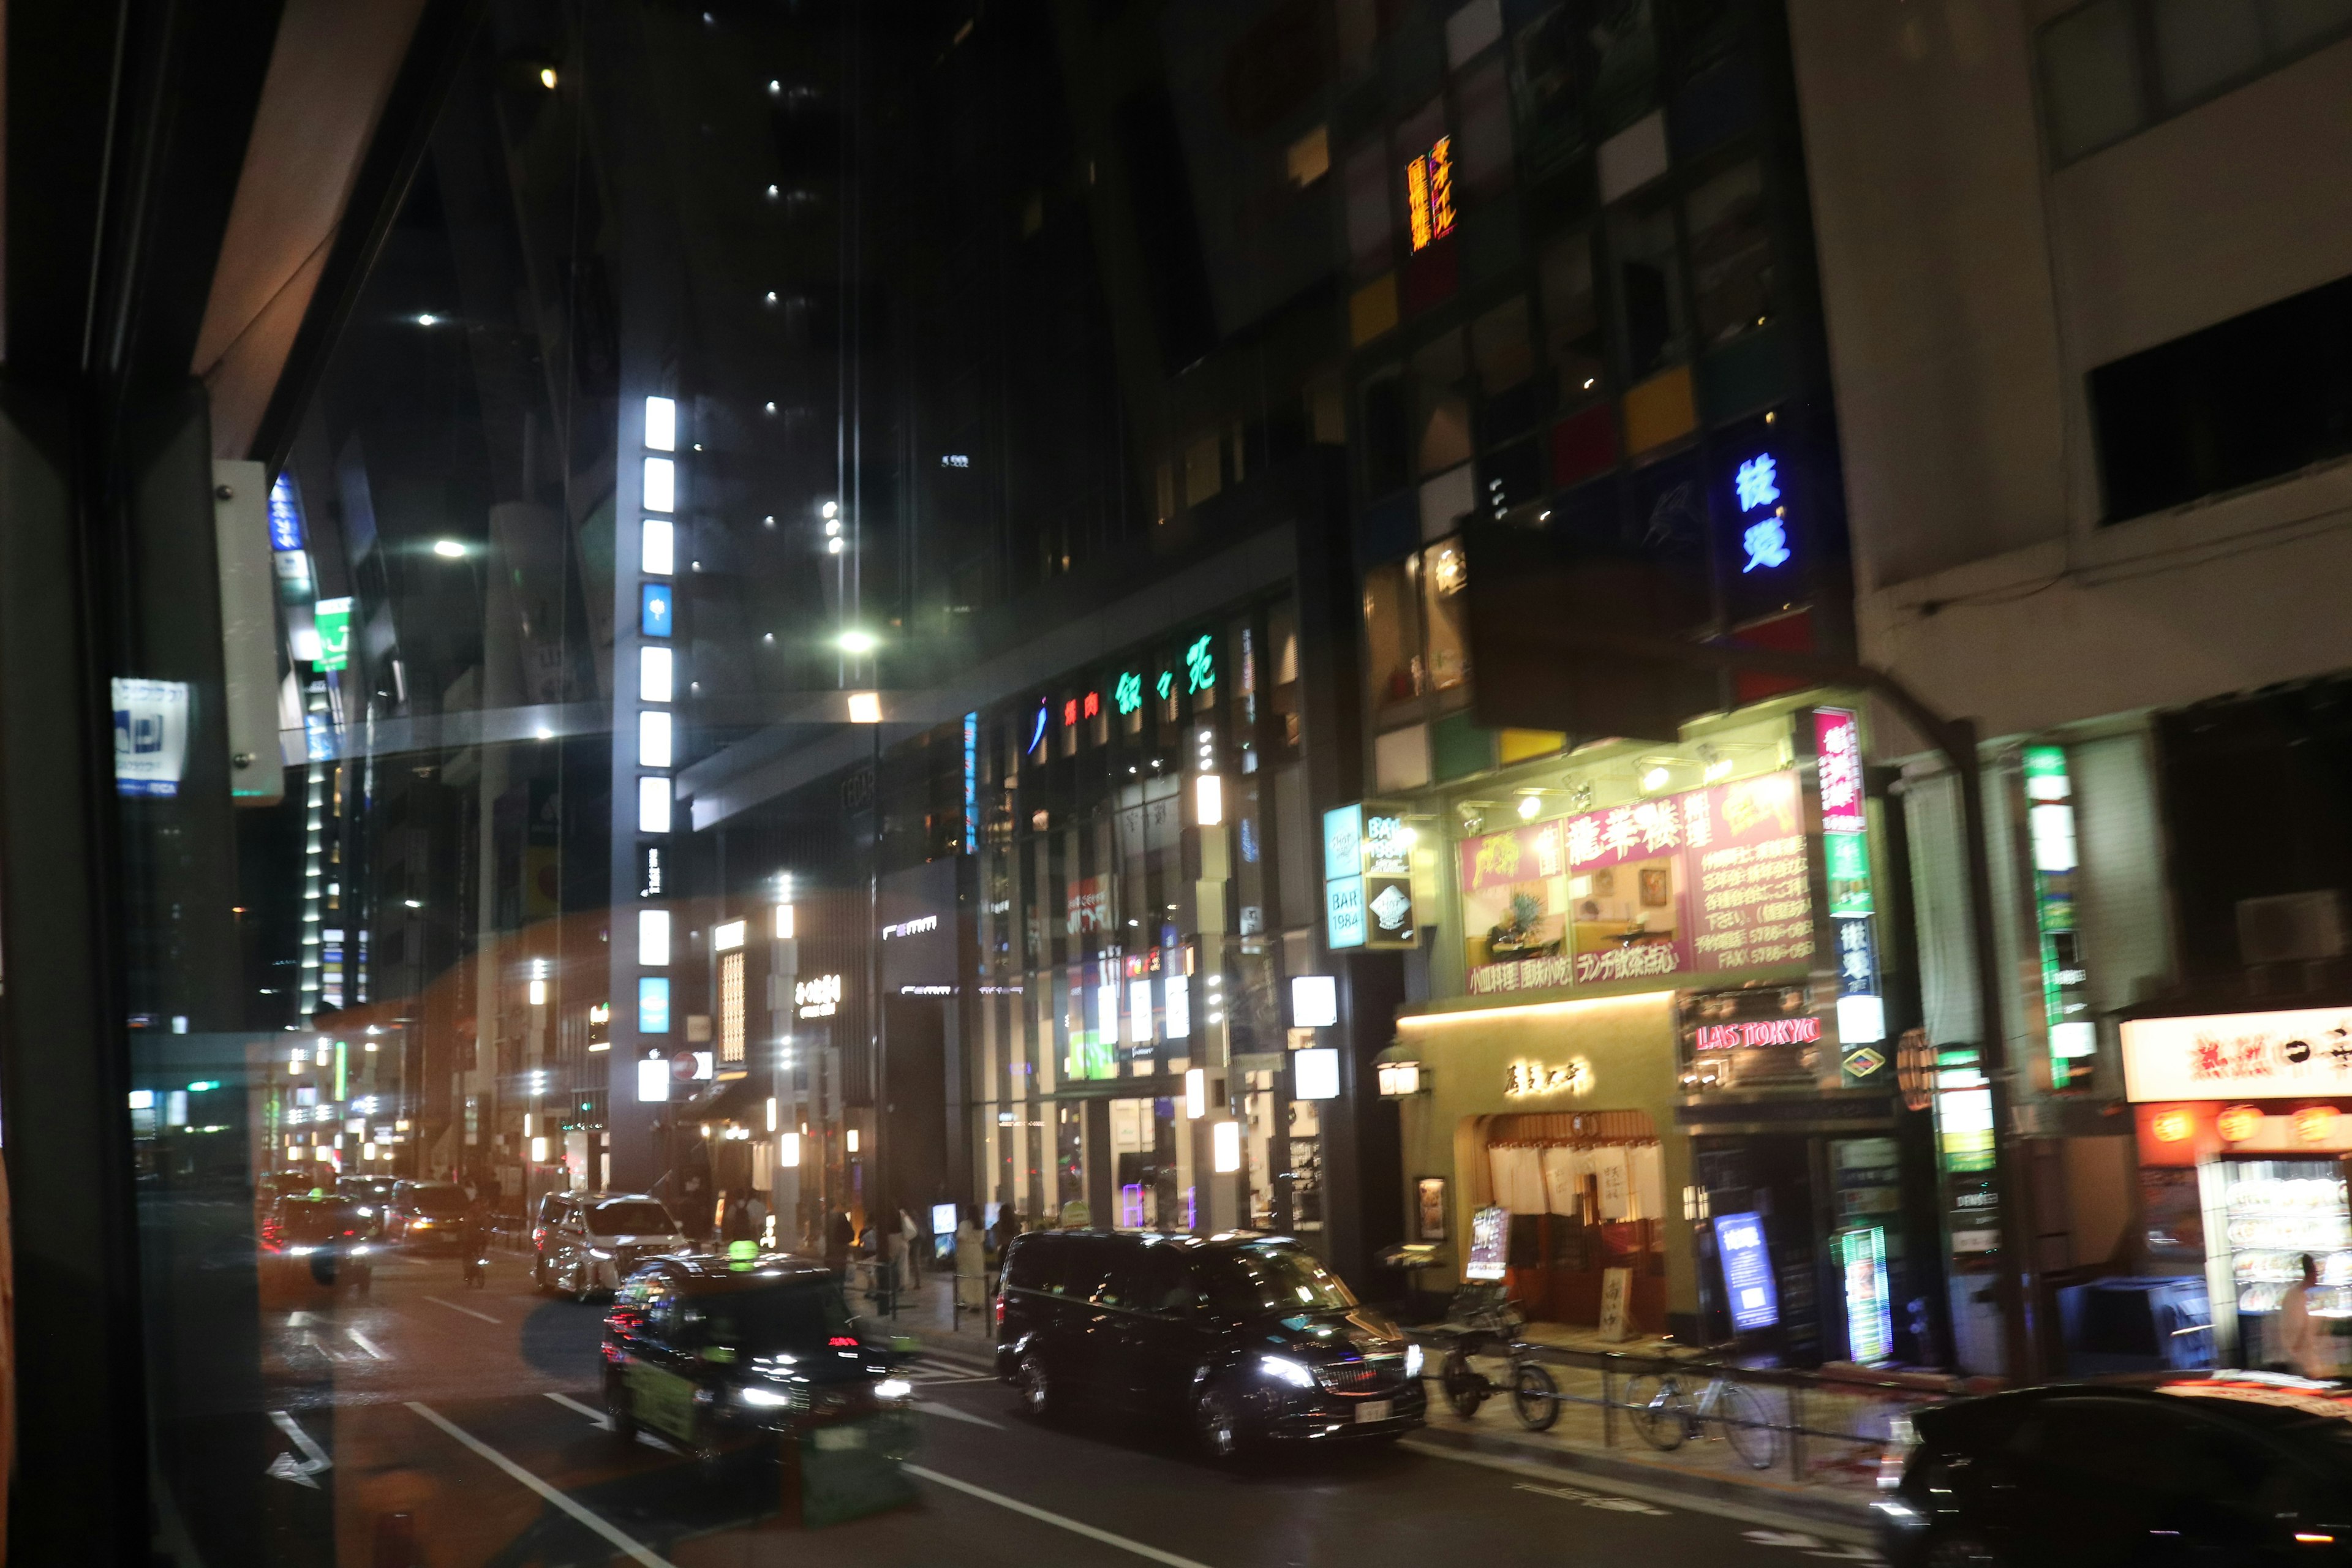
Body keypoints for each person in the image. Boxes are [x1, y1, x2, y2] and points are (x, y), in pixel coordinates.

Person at [2282, 1253, 2334, 1379]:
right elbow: (2298, 1329)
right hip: (2303, 1357)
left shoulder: (2296, 1294)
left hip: (2307, 1354)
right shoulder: (2296, 1296)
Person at [899, 1207, 922, 1287]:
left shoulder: (908, 1221)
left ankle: (914, 1282)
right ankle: (917, 1282)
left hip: (912, 1242)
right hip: (917, 1242)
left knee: (912, 1261)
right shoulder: (916, 1221)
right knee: (916, 1261)